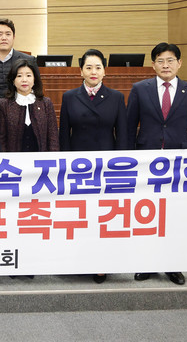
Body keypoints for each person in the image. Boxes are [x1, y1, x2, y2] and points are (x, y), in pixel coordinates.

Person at [127, 42, 187, 287]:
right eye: (160, 61)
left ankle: (173, 264)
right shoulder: (140, 89)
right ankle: (147, 263)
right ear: (153, 65)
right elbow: (129, 128)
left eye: (170, 60)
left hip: (179, 164)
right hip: (146, 162)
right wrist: (127, 161)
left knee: (174, 215)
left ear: (179, 63)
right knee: (147, 213)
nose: (165, 65)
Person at [58, 49, 127, 284]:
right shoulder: (69, 97)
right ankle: (76, 261)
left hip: (106, 168)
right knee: (78, 216)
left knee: (103, 216)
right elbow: (64, 135)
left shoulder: (116, 97)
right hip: (78, 169)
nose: (93, 72)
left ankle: (101, 263)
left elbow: (122, 136)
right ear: (81, 72)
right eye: (88, 67)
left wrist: (120, 168)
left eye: (98, 67)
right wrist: (66, 166)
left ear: (105, 71)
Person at [0, 58, 58, 153]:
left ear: (34, 79)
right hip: (13, 160)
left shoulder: (46, 103)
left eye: (29, 75)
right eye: (19, 76)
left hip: (41, 160)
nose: (24, 80)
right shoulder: (3, 104)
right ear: (13, 80)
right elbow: (1, 139)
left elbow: (53, 137)